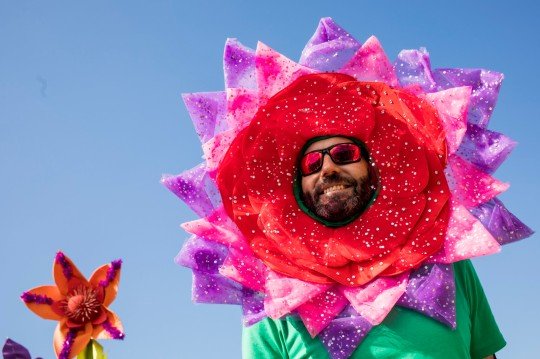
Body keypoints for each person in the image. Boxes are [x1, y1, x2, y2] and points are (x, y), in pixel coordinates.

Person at [242, 135, 506, 359]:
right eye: (311, 164)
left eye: (344, 154)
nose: (328, 169)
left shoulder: (445, 261)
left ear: (372, 168)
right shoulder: (272, 295)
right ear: (297, 186)